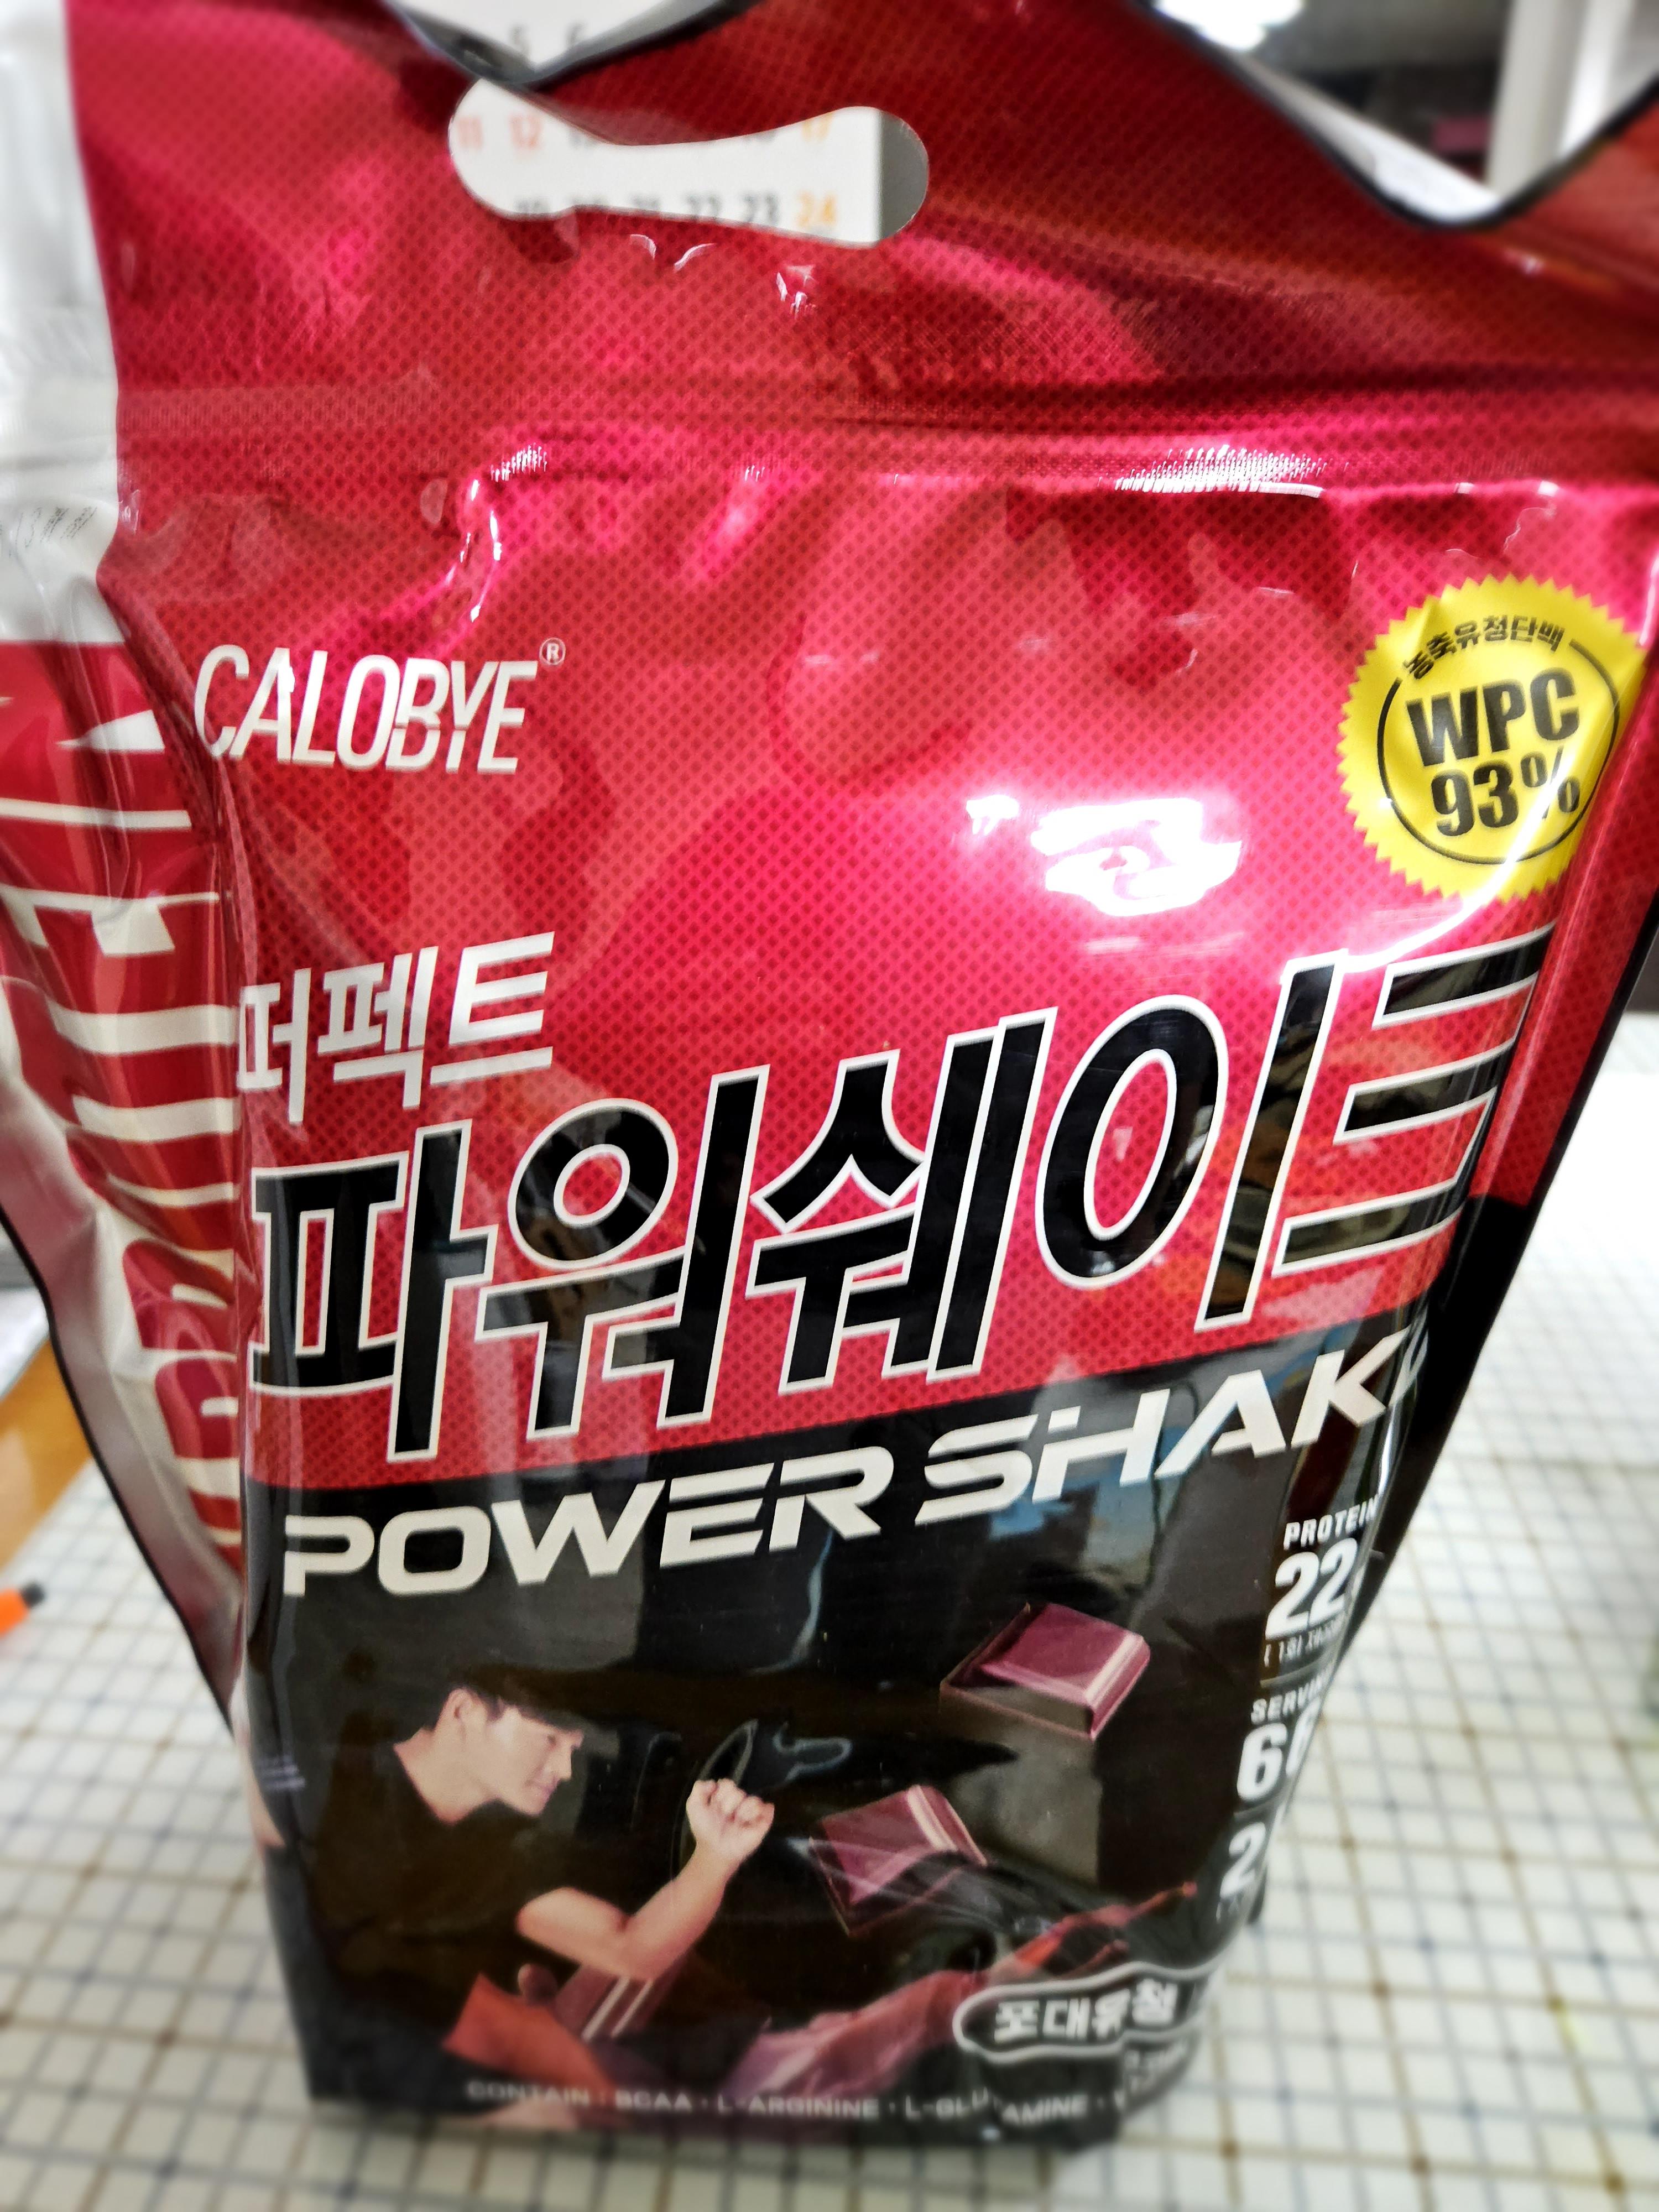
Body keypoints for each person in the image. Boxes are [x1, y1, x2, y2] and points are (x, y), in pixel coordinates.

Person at [306, 1665, 773, 2094]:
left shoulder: (497, 1856)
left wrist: (717, 1856)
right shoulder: (328, 1761)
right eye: (549, 1739)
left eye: (572, 1748)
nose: (565, 1770)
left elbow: (631, 1948)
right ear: (464, 1711)